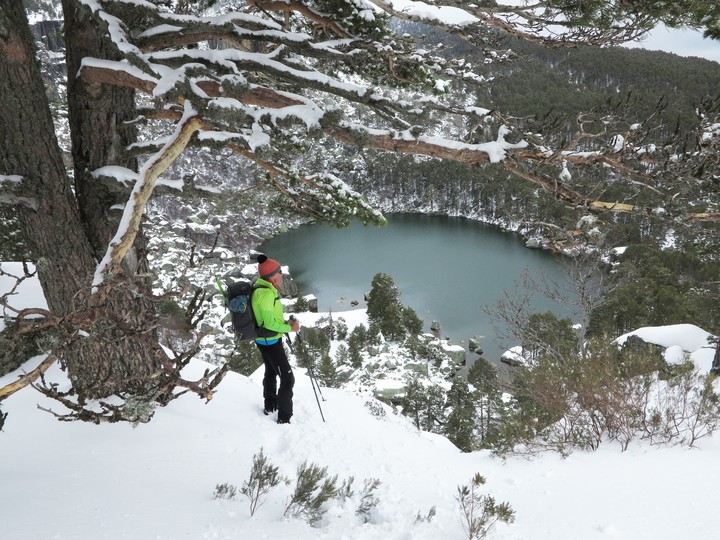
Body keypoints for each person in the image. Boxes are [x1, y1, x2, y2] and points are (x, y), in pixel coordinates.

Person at [252, 254, 301, 424]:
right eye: (279, 271)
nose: (282, 274)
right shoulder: (265, 294)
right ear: (273, 276)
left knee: (271, 371)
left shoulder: (262, 287)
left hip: (265, 340)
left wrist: (285, 322)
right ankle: (284, 418)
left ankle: (270, 406)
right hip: (270, 341)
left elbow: (269, 318)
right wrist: (290, 328)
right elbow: (269, 323)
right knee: (288, 379)